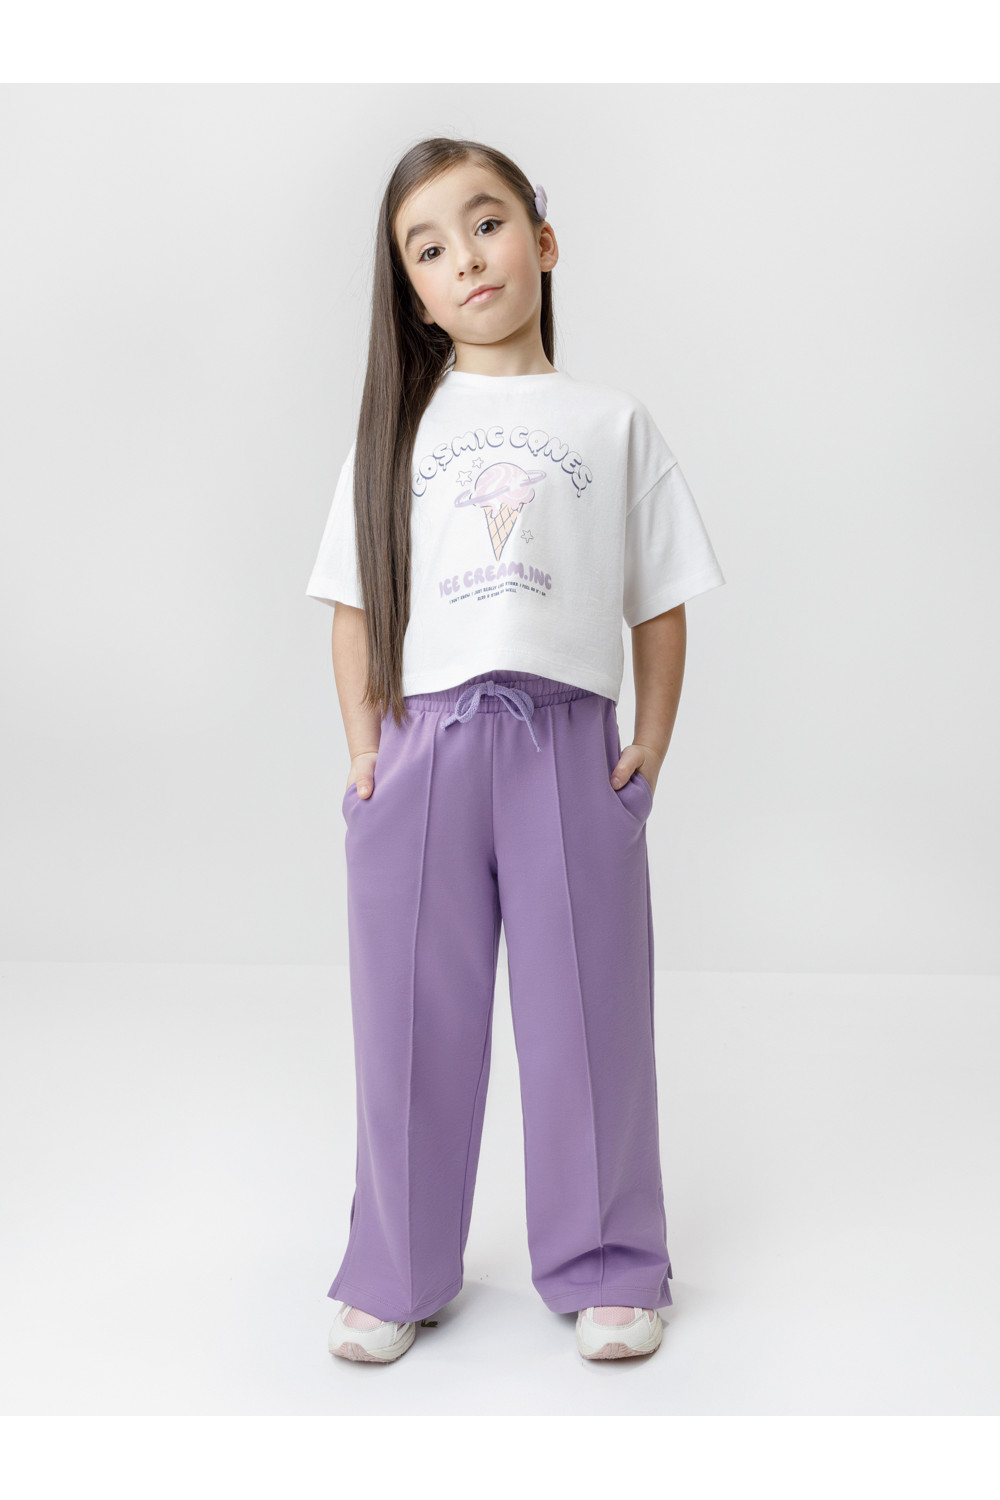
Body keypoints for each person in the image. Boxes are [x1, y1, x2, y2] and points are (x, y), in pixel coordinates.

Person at [305, 137, 726, 1364]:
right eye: (428, 249)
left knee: (587, 1016)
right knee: (407, 1023)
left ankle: (608, 1263)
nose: (466, 259)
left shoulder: (610, 421)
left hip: (566, 747)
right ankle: (396, 1268)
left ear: (541, 240)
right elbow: (352, 604)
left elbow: (660, 599)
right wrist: (364, 752)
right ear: (412, 294)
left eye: (485, 225)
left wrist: (649, 743)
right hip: (422, 746)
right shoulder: (399, 431)